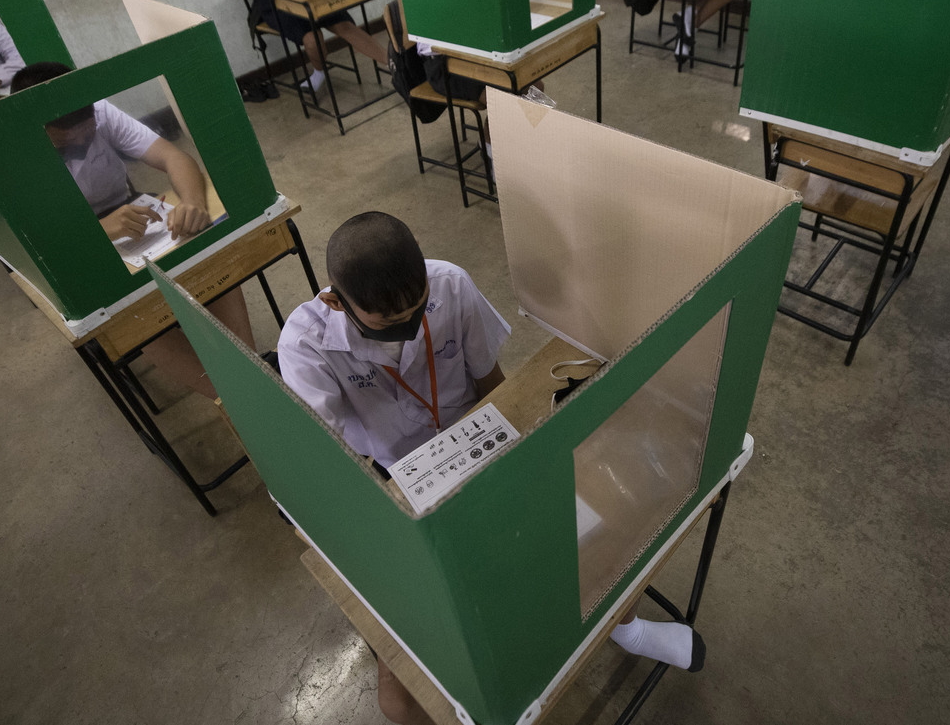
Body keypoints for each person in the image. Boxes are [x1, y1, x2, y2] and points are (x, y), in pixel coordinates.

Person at [277, 212, 703, 725]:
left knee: (597, 519)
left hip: (481, 441)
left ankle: (625, 628)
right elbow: (326, 474)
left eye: (416, 310)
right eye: (389, 323)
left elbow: (494, 386)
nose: (409, 326)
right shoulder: (305, 345)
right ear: (335, 302)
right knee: (405, 692)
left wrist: (521, 466)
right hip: (399, 482)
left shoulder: (450, 285)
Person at [11, 62, 257, 398]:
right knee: (129, 308)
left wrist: (194, 203)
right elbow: (35, 249)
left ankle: (251, 372)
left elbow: (174, 158)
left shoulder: (100, 112)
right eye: (68, 143)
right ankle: (232, 395)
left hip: (126, 211)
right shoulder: (13, 155)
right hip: (74, 241)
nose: (83, 143)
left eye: (88, 133)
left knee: (206, 250)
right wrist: (98, 232)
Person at [250, 0, 388, 94]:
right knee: (312, 38)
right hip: (276, 1)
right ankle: (318, 73)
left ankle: (392, 63)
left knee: (345, 27)